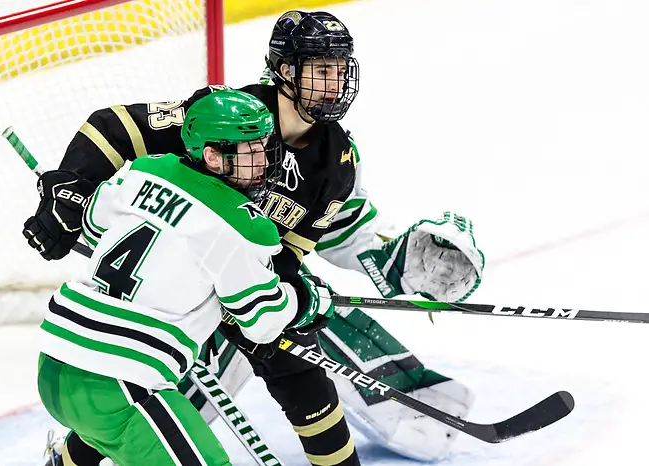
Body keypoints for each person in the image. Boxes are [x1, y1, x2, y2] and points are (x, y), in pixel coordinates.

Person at [26, 10, 484, 465]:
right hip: (193, 290)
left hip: (244, 283)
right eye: (322, 69)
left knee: (305, 380)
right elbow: (114, 128)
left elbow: (289, 253)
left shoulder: (336, 162)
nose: (337, 82)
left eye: (342, 69)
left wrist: (303, 288)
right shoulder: (228, 117)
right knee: (150, 390)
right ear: (286, 70)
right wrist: (69, 190)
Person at [36, 89, 337, 466]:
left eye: (265, 146)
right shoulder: (243, 225)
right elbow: (261, 322)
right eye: (251, 151)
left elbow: (96, 227)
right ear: (212, 156)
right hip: (121, 382)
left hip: (54, 366)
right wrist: (307, 300)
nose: (263, 161)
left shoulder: (143, 171)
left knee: (108, 436)